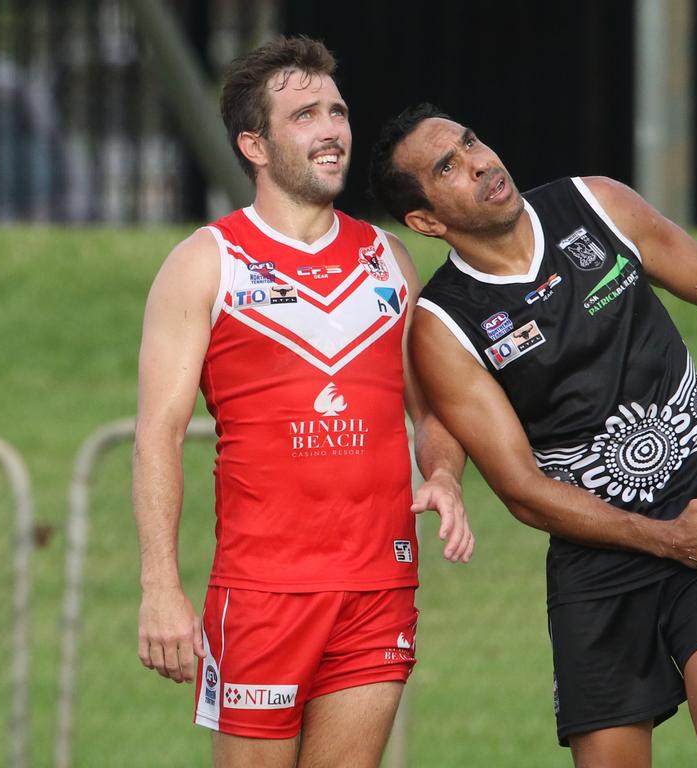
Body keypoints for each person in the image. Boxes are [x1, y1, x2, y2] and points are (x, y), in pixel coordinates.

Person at [369, 104, 697, 767]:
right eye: (448, 166)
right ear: (425, 220)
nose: (480, 162)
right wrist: (663, 539)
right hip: (596, 554)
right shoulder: (445, 325)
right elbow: (523, 490)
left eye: (472, 141)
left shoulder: (595, 205)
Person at [133, 41, 471, 768]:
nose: (332, 129)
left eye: (338, 112)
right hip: (261, 594)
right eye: (306, 115)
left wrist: (442, 475)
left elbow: (436, 409)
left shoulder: (389, 259)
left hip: (380, 582)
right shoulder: (205, 262)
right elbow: (157, 434)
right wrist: (160, 586)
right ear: (254, 144)